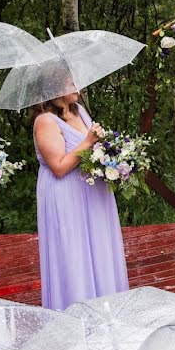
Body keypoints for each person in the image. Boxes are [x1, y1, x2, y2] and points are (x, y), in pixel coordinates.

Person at [32, 88, 128, 310]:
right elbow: (58, 167)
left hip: (93, 192)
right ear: (53, 85)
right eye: (70, 82)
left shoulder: (81, 112)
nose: (78, 87)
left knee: (99, 246)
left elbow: (94, 149)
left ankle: (106, 304)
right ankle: (77, 310)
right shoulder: (45, 121)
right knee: (74, 251)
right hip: (66, 194)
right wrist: (88, 142)